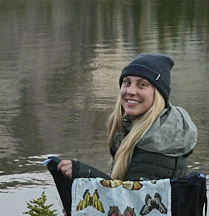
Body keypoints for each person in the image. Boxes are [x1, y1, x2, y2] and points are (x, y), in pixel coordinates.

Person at [57, 53, 197, 181]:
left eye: (142, 85)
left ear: (158, 94)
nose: (130, 91)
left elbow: (129, 204)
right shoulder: (142, 132)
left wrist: (82, 173)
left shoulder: (154, 148)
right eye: (127, 82)